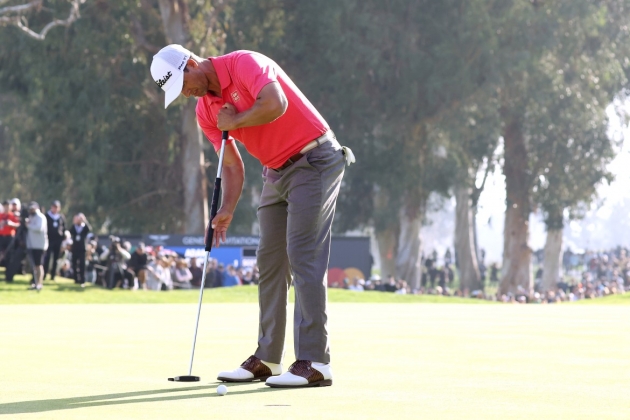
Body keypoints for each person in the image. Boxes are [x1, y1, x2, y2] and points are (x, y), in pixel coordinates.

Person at [150, 44, 355, 388]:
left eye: (183, 84)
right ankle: (269, 358)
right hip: (275, 171)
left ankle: (315, 362)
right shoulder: (205, 111)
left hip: (315, 158)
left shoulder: (245, 63)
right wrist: (226, 209)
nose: (186, 94)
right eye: (179, 92)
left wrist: (235, 120)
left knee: (302, 254)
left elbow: (276, 103)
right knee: (270, 260)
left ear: (191, 63)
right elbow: (231, 164)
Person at [25, 202, 48, 291]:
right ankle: (35, 282)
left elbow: (39, 228)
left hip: (39, 245)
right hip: (32, 244)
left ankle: (39, 283)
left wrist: (28, 225)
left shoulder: (40, 217)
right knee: (35, 266)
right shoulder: (31, 217)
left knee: (39, 265)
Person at [43, 200, 67, 281]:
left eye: (57, 207)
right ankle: (44, 274)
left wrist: (64, 236)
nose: (55, 209)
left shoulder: (61, 217)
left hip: (58, 240)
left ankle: (53, 275)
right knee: (48, 257)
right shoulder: (47, 215)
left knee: (56, 259)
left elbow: (64, 228)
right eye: (54, 207)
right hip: (49, 239)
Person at [69, 213, 92, 286]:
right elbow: (70, 231)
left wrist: (84, 220)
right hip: (74, 248)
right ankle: (76, 279)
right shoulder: (74, 227)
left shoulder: (84, 227)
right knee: (74, 264)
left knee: (82, 265)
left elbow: (89, 229)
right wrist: (74, 221)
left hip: (82, 249)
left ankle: (82, 280)